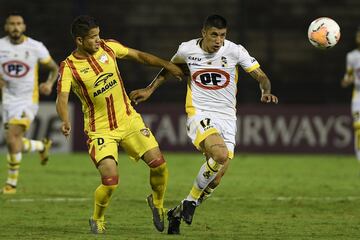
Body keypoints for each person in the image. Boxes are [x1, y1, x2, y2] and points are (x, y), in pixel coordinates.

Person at [129, 14, 278, 234]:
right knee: (219, 155)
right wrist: (149, 90)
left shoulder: (235, 51)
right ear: (204, 33)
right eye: (214, 35)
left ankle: (178, 212)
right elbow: (168, 69)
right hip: (199, 112)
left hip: (227, 117)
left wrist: (266, 92)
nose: (219, 40)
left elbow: (261, 76)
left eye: (223, 35)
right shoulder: (187, 50)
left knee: (215, 179)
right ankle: (190, 202)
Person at [56, 15, 183, 234]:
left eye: (98, 34)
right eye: (93, 37)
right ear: (79, 40)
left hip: (128, 119)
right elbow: (62, 97)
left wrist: (167, 64)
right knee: (111, 179)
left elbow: (139, 56)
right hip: (100, 129)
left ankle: (157, 203)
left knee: (159, 165)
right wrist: (65, 119)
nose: (98, 40)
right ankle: (97, 218)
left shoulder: (109, 47)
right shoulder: (69, 67)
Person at [0, 12, 57, 194]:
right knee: (14, 142)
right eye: (12, 24)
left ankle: (11, 184)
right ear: (6, 27)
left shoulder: (35, 47)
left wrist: (48, 83)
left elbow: (54, 68)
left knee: (11, 137)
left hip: (27, 100)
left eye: (19, 23)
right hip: (8, 100)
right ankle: (41, 145)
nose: (15, 27)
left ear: (23, 27)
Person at [341, 27, 360, 161]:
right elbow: (347, 78)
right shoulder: (352, 56)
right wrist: (347, 80)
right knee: (358, 127)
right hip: (358, 96)